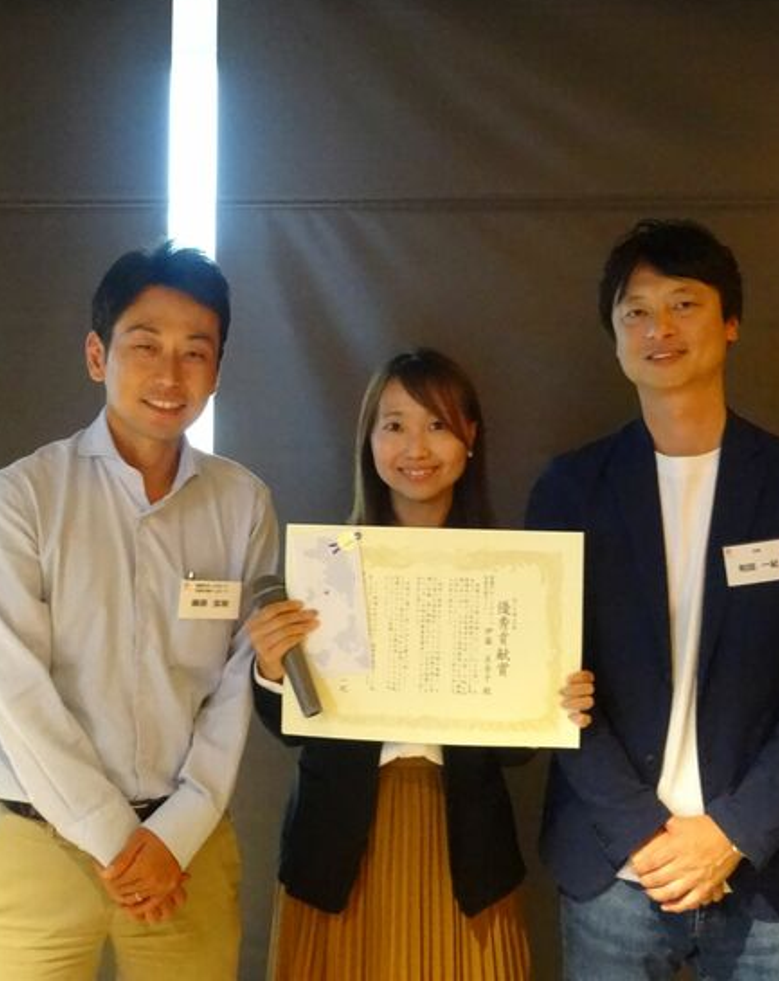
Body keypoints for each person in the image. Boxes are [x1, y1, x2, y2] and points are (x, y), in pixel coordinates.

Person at [526, 220, 779, 979]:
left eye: (684, 304)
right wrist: (642, 832)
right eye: (636, 311)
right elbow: (548, 683)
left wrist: (730, 834)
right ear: (615, 336)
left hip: (764, 867)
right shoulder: (569, 490)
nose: (659, 328)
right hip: (614, 866)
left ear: (731, 321)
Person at [0, 242, 278, 980]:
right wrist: (117, 840)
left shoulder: (243, 503)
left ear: (217, 371)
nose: (170, 374)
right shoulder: (22, 497)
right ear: (97, 355)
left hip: (186, 851)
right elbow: (15, 691)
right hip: (41, 845)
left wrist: (174, 834)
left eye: (195, 352)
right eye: (145, 345)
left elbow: (238, 684)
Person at [247, 348, 596, 981]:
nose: (416, 447)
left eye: (438, 424)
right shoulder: (324, 566)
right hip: (337, 845)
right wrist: (271, 669)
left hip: (465, 844)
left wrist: (557, 699)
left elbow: (517, 752)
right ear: (369, 442)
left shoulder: (514, 575)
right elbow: (291, 728)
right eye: (395, 425)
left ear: (470, 438)